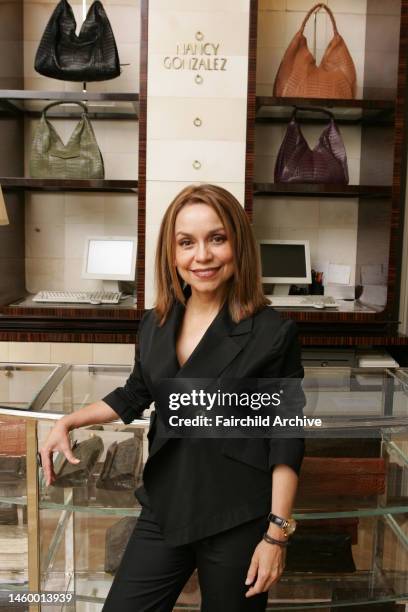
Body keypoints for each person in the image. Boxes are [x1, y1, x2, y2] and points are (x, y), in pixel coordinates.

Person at [39, 184, 305, 612]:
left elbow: (285, 440)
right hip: (167, 504)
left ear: (238, 244)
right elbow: (135, 393)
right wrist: (69, 421)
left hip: (236, 516)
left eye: (217, 238)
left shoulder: (273, 333)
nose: (202, 256)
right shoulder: (156, 322)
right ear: (172, 252)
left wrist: (276, 535)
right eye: (187, 242)